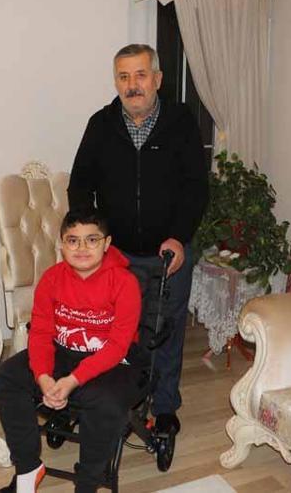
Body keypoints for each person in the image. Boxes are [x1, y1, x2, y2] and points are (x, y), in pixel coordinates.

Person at [68, 44, 209, 437]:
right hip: (118, 256)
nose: (133, 85)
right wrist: (93, 240)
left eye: (141, 75)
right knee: (119, 334)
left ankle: (163, 407)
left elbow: (196, 187)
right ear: (116, 82)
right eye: (124, 77)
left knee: (166, 332)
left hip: (169, 255)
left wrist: (179, 238)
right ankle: (120, 404)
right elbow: (80, 186)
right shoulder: (101, 125)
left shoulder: (180, 122)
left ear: (157, 79)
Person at [0, 208, 144, 493]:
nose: (82, 248)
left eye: (92, 240)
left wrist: (72, 381)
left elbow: (117, 346)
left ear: (107, 244)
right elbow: (40, 333)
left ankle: (86, 484)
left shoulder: (125, 283)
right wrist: (43, 377)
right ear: (61, 245)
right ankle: (27, 469)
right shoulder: (51, 278)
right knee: (6, 376)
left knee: (104, 400)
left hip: (113, 359)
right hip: (63, 351)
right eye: (73, 240)